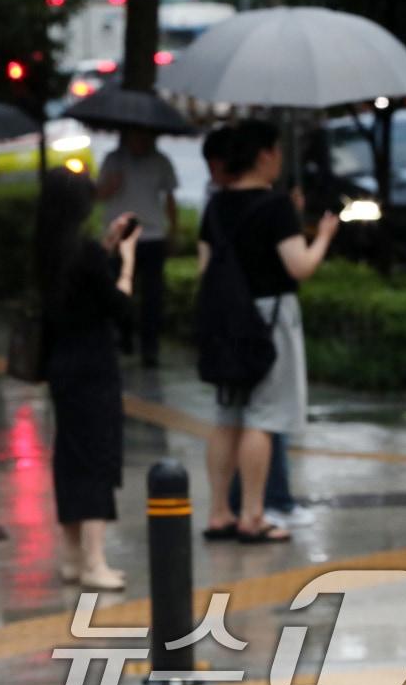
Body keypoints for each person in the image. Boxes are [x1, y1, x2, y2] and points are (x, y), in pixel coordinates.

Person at [199, 119, 338, 544]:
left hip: (224, 319)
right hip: (270, 319)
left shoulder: (216, 205)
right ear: (263, 154)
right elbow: (300, 267)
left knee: (227, 417)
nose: (279, 159)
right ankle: (254, 515)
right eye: (276, 151)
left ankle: (219, 513)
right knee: (263, 417)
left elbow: (205, 270)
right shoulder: (276, 207)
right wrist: (324, 236)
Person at [36, 168, 140, 590]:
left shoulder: (47, 251)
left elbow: (80, 283)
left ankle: (72, 557)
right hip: (94, 368)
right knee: (97, 459)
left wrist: (107, 246)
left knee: (69, 457)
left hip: (61, 367)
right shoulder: (87, 257)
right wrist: (127, 263)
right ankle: (95, 563)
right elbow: (120, 307)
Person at [97, 128, 178, 367]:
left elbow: (170, 198)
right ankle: (123, 336)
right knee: (120, 291)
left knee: (152, 296)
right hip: (121, 235)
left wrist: (173, 230)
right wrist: (111, 186)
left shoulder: (160, 161)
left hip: (152, 236)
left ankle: (149, 349)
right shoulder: (114, 160)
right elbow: (99, 195)